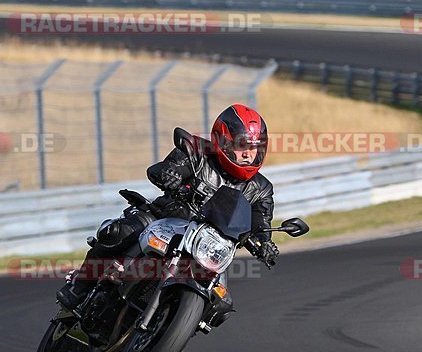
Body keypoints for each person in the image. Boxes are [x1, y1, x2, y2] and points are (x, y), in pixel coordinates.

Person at [57, 103, 279, 310]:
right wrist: (169, 174)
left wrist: (264, 244)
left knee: (221, 304)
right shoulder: (197, 152)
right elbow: (162, 168)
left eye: (255, 147)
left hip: (207, 246)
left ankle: (171, 329)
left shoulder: (261, 189)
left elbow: (260, 221)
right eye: (242, 145)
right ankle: (80, 286)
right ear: (223, 139)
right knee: (118, 232)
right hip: (165, 219)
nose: (249, 153)